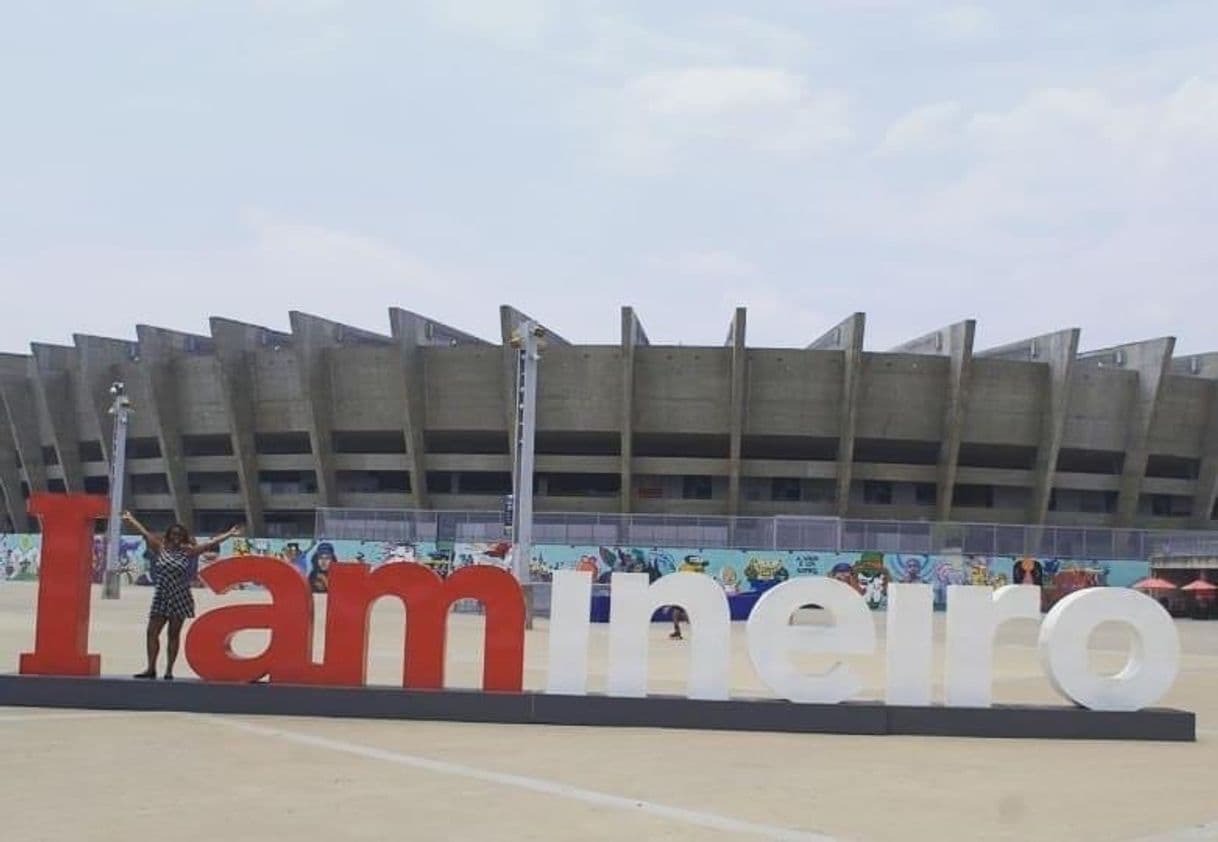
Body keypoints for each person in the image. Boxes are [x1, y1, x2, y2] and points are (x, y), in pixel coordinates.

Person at [123, 512, 242, 680]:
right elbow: (145, 533)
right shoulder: (161, 548)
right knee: (152, 632)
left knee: (173, 634)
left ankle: (169, 670)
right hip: (162, 595)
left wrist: (229, 534)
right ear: (169, 536)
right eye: (174, 534)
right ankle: (151, 668)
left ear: (184, 537)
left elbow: (210, 544)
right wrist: (131, 520)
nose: (176, 537)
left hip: (180, 595)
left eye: (179, 534)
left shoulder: (188, 552)